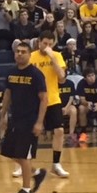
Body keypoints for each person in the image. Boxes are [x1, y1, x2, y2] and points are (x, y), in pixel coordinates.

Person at [0, 42, 49, 193]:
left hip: (30, 120)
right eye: (17, 51)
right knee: (11, 153)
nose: (19, 54)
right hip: (16, 118)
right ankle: (36, 173)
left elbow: (44, 99)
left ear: (29, 54)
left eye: (23, 52)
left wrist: (39, 122)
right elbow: (8, 93)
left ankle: (27, 190)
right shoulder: (11, 73)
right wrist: (3, 113)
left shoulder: (36, 74)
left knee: (24, 155)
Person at [27, 31, 69, 177]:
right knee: (30, 132)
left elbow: (62, 78)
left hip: (53, 98)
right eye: (45, 43)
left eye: (50, 44)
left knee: (59, 131)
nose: (47, 46)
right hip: (34, 100)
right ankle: (25, 164)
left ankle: (56, 164)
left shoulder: (57, 56)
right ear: (39, 42)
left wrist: (52, 58)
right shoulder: (31, 57)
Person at [76, 66, 97, 142]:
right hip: (87, 104)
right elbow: (81, 99)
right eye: (89, 76)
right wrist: (87, 103)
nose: (92, 78)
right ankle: (83, 133)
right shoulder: (81, 83)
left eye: (93, 75)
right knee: (81, 108)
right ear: (85, 78)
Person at [58, 76, 78, 143]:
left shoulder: (70, 83)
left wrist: (66, 107)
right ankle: (60, 135)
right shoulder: (54, 83)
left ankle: (71, 134)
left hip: (67, 105)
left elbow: (71, 97)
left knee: (73, 110)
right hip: (57, 105)